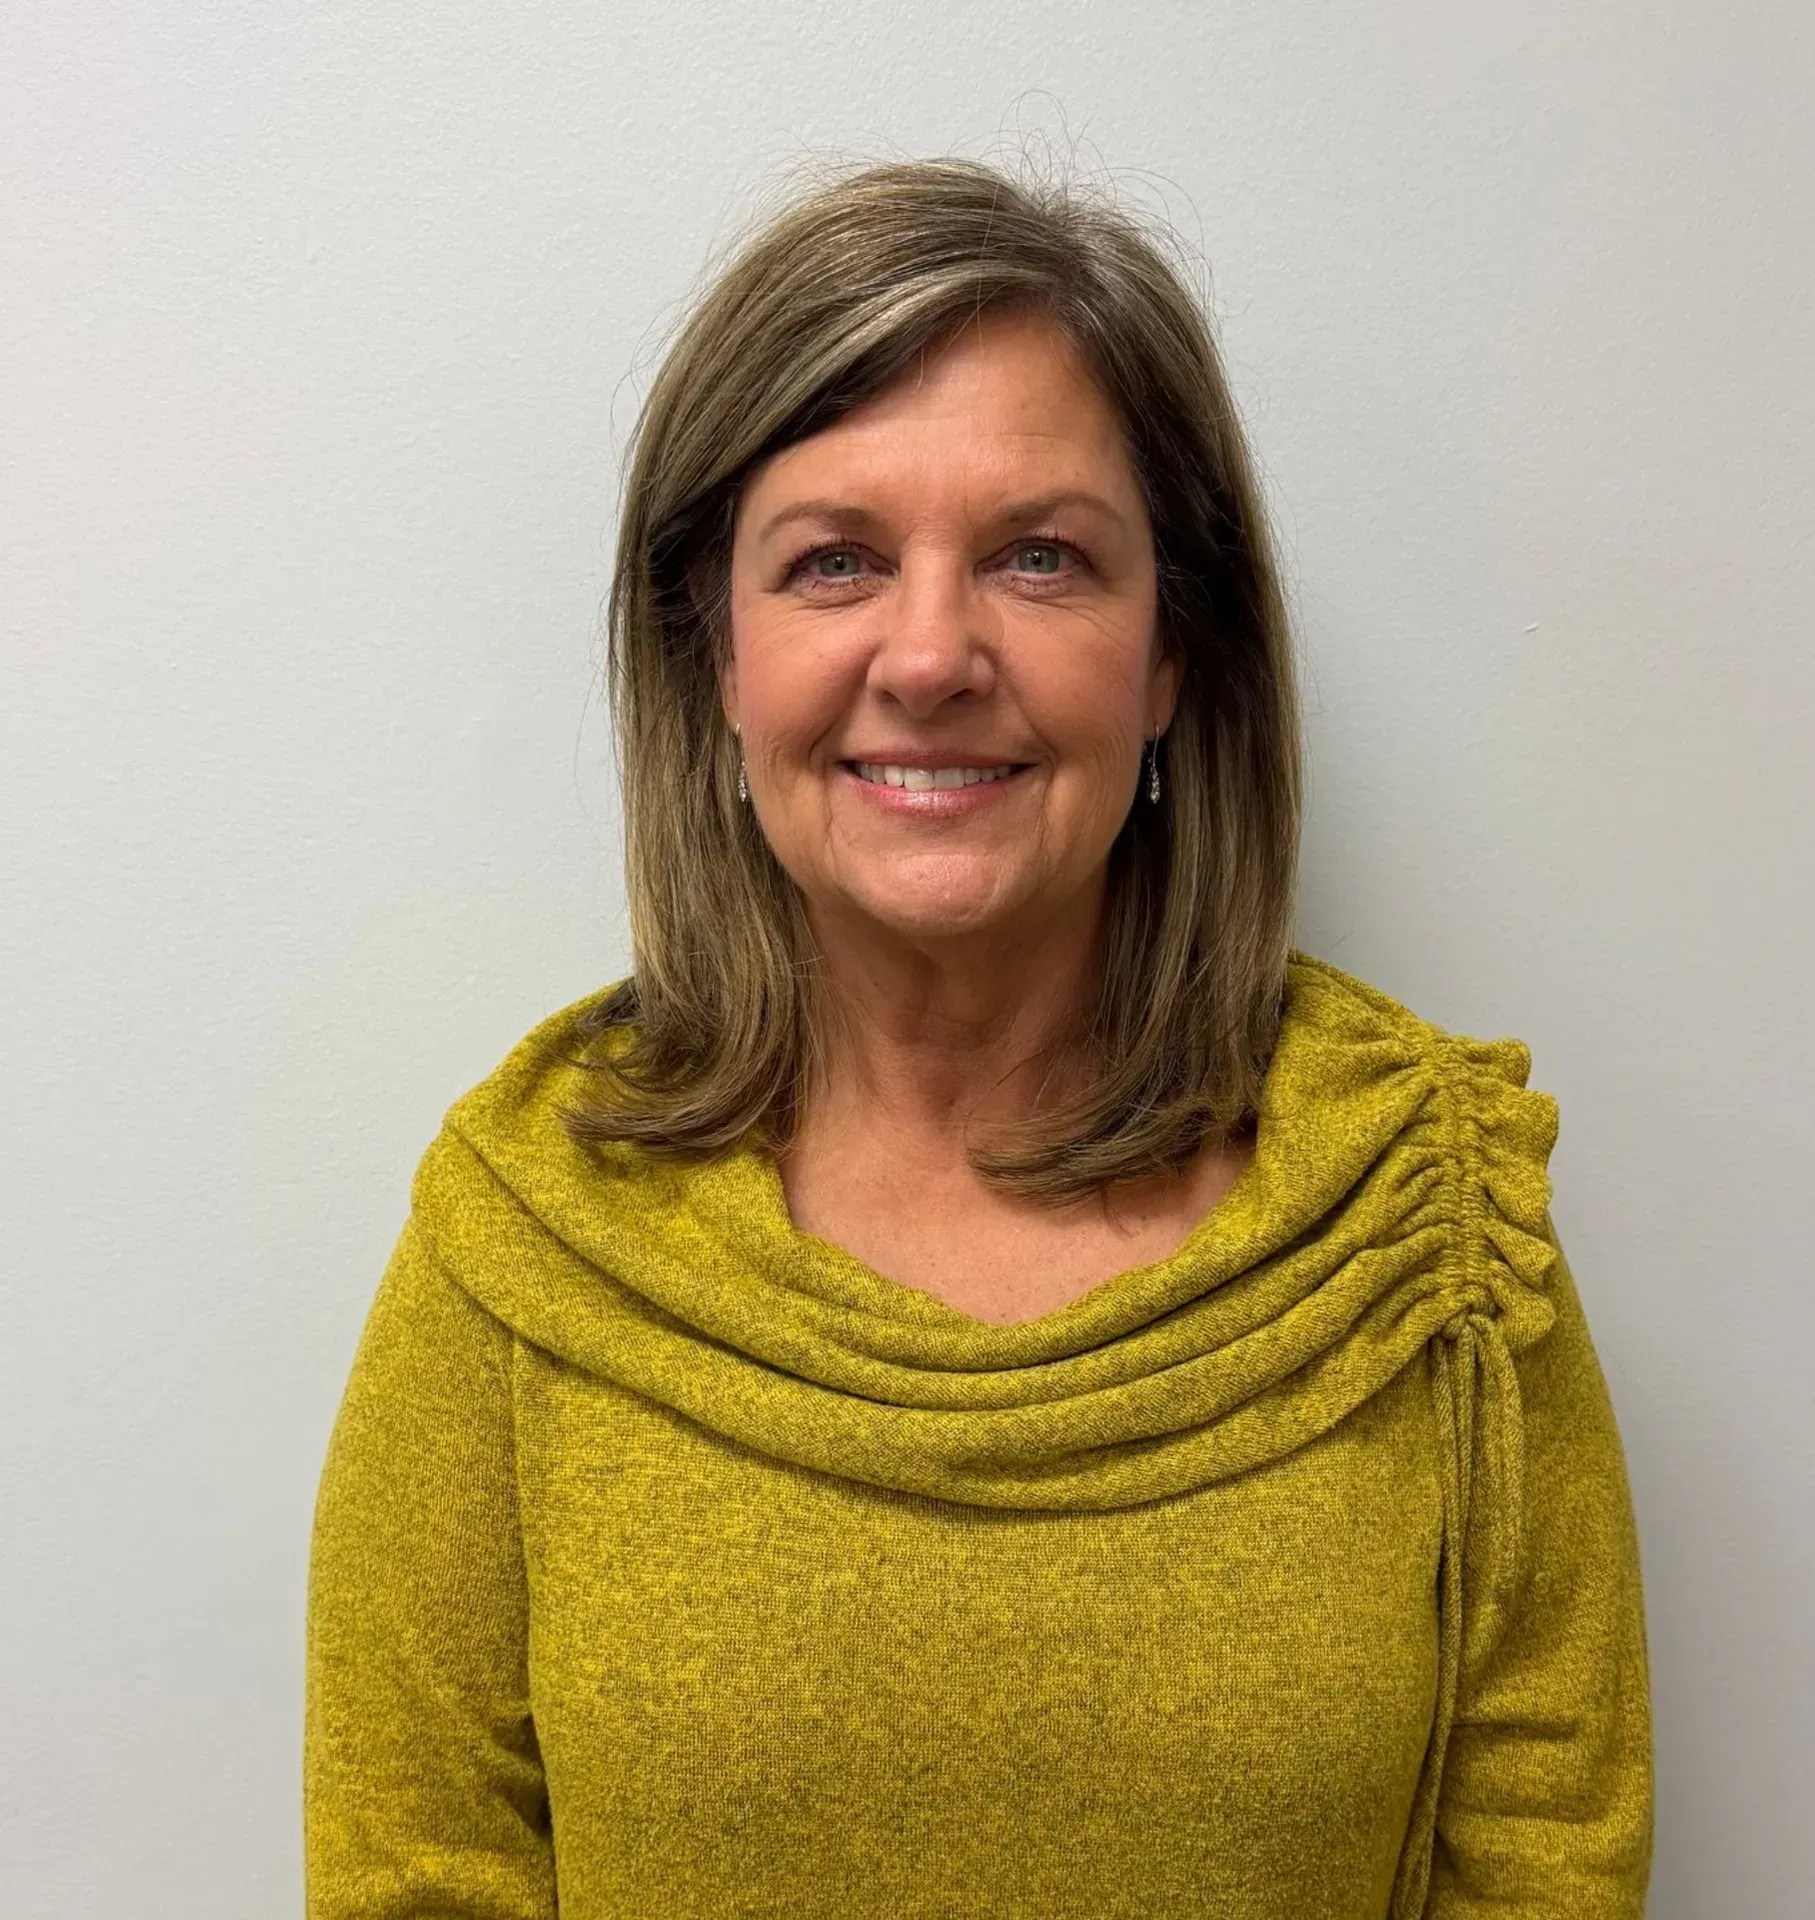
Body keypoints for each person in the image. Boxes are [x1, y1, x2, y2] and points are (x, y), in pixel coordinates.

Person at [304, 157, 1653, 1919]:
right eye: (834, 562)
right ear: (714, 654)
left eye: (1039, 557)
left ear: (1174, 653)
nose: (930, 655)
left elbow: (1547, 1873)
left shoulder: (1426, 1231)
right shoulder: (527, 1240)